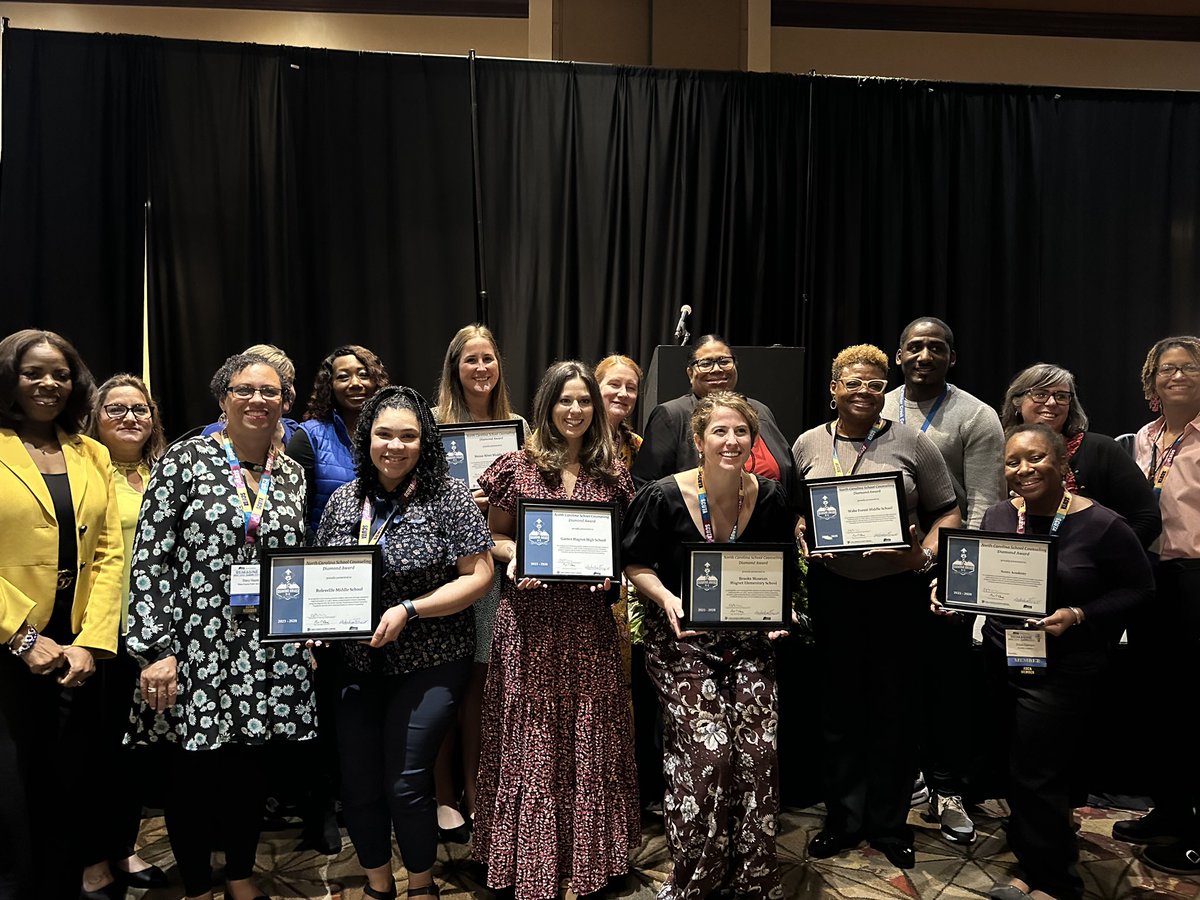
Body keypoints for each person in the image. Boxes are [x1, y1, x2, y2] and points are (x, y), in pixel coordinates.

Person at [126, 351, 315, 900]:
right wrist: (155, 650)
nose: (258, 400)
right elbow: (149, 559)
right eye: (245, 390)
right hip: (194, 645)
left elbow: (293, 562)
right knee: (193, 771)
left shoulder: (293, 475)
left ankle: (238, 874)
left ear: (286, 402)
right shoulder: (184, 461)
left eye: (270, 392)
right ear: (223, 399)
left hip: (265, 648)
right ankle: (194, 885)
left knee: (249, 770)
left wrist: (302, 629)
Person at [944, 424, 1153, 900]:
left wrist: (1079, 614)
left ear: (1063, 465)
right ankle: (1039, 855)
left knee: (1037, 772)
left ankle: (1053, 882)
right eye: (1013, 462)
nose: (1023, 470)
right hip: (1002, 658)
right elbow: (982, 581)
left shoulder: (1103, 524)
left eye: (1035, 459)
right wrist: (952, 596)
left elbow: (1141, 590)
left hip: (1064, 668)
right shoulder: (999, 514)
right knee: (1018, 766)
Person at [316, 386, 494, 900]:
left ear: (426, 441)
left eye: (409, 436)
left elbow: (478, 576)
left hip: (432, 659)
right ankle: (377, 885)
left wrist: (410, 609)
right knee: (359, 784)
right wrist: (310, 622)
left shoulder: (449, 497)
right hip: (357, 661)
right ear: (367, 437)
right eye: (384, 434)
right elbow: (324, 578)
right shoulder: (345, 500)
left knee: (406, 781)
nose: (395, 446)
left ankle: (420, 884)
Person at [473, 361, 639, 900]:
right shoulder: (516, 467)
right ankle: (528, 864)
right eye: (565, 400)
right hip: (530, 625)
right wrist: (517, 552)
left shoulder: (612, 473)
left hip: (588, 626)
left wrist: (609, 571)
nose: (575, 410)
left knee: (588, 735)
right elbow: (492, 537)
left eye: (584, 401)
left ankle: (590, 861)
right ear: (546, 406)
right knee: (534, 739)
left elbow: (621, 551)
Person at [792, 343, 961, 870]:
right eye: (853, 382)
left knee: (894, 710)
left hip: (896, 595)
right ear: (834, 389)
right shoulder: (807, 444)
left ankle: (889, 825)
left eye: (873, 382)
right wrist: (800, 530)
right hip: (833, 592)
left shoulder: (912, 442)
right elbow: (800, 513)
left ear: (883, 389)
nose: (864, 391)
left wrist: (923, 557)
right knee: (839, 711)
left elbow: (949, 512)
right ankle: (844, 820)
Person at [622, 391, 796, 899]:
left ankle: (752, 879)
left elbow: (776, 571)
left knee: (758, 753)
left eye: (741, 431)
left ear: (753, 439)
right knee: (710, 752)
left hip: (746, 642)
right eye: (719, 431)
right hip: (682, 641)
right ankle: (695, 879)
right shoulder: (661, 496)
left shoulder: (768, 497)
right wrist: (670, 601)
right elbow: (635, 565)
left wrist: (775, 617)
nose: (731, 440)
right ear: (699, 441)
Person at [0, 329, 124, 900]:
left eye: (59, 373)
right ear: (9, 378)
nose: (48, 383)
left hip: (74, 651)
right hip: (8, 646)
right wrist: (20, 637)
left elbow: (108, 553)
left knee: (69, 786)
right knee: (15, 795)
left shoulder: (89, 450)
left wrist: (91, 640)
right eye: (33, 373)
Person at [882, 316, 1006, 845]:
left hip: (942, 573)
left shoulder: (976, 415)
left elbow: (981, 503)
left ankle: (949, 787)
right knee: (894, 682)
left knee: (948, 685)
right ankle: (904, 776)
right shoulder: (880, 405)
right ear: (899, 354)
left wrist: (955, 578)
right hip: (883, 570)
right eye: (915, 347)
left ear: (951, 357)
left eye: (936, 348)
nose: (924, 356)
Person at [430, 324, 527, 843]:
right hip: (448, 568)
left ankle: (478, 790)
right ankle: (445, 796)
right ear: (455, 367)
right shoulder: (432, 424)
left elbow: (531, 499)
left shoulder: (519, 426)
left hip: (498, 574)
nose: (481, 368)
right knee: (447, 683)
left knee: (482, 689)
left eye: (488, 358)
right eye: (470, 359)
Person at [1111, 336, 1200, 875]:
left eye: (1189, 366)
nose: (1177, 375)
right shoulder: (1142, 438)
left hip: (1196, 577)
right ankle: (1167, 811)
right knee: (1160, 702)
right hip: (1149, 577)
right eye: (1166, 368)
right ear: (1152, 382)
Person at [79, 374, 169, 897]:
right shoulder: (86, 469)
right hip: (100, 633)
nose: (130, 418)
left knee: (135, 753)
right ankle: (92, 857)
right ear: (96, 416)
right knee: (95, 754)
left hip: (153, 637)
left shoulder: (163, 472)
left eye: (140, 408)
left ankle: (124, 844)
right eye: (116, 409)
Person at [1000, 363, 1160, 549]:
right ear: (1017, 401)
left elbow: (1147, 518)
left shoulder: (1102, 449)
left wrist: (1104, 556)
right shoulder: (1000, 451)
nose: (1051, 403)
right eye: (1040, 394)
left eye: (1061, 396)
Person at [631, 335, 800, 505]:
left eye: (724, 361)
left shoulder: (760, 411)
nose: (717, 369)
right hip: (698, 525)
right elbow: (645, 487)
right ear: (690, 373)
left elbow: (788, 475)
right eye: (705, 363)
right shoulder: (672, 415)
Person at [287, 344, 389, 536]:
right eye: (343, 377)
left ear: (377, 382)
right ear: (330, 385)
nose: (356, 383)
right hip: (329, 557)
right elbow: (296, 514)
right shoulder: (309, 436)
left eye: (364, 375)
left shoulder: (395, 437)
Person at [201, 343, 302, 451]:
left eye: (289, 382)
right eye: (246, 389)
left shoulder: (295, 432)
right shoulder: (212, 436)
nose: (289, 391)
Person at [596, 354, 643, 469]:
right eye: (614, 385)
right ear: (595, 388)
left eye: (631, 388)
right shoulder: (577, 438)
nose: (623, 393)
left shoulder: (637, 444)